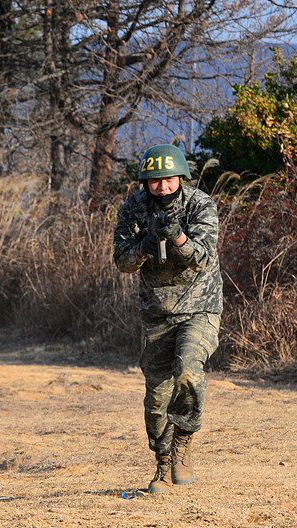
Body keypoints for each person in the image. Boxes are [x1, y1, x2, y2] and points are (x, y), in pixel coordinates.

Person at [112, 144, 223, 494]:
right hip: (157, 313)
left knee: (189, 372)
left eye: (169, 180)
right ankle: (161, 464)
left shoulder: (199, 205)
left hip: (199, 308)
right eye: (155, 182)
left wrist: (177, 236)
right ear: (146, 183)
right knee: (156, 398)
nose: (163, 187)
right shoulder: (133, 208)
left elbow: (204, 259)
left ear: (181, 178)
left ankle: (183, 442)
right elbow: (122, 261)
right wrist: (145, 244)